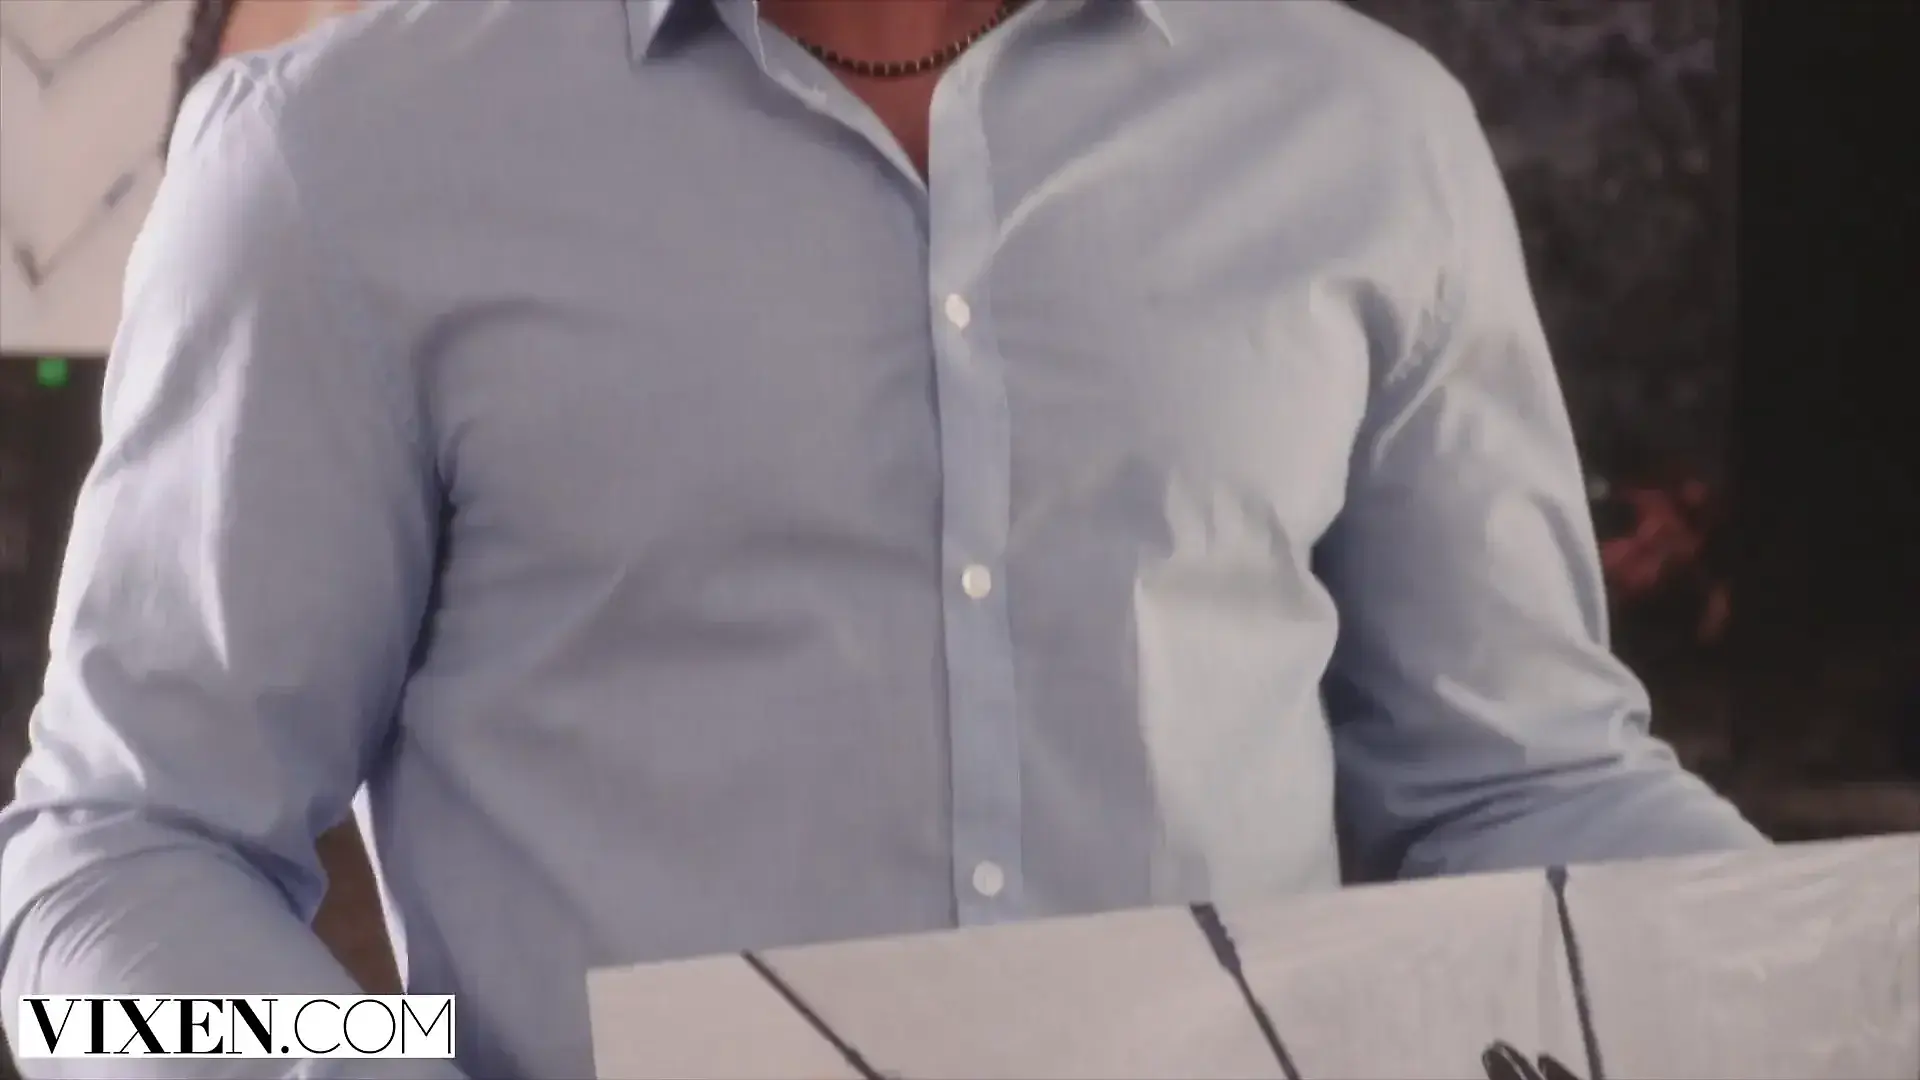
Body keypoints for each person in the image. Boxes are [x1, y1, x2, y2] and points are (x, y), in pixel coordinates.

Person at [0, 0, 1766, 1076]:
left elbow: (1524, 788)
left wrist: (1837, 976)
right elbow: (116, 853)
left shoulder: (1366, 131)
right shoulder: (339, 157)